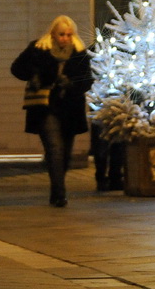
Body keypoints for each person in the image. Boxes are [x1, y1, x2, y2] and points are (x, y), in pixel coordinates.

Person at [11, 16, 94, 207]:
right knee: (55, 149)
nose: (65, 38)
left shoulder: (79, 53)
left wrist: (71, 84)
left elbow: (87, 80)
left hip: (70, 107)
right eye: (61, 34)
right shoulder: (38, 49)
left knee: (65, 152)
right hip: (45, 106)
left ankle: (58, 186)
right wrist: (33, 75)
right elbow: (16, 68)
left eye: (68, 34)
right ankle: (59, 193)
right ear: (53, 33)